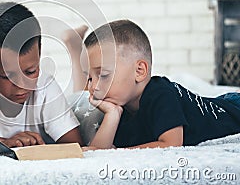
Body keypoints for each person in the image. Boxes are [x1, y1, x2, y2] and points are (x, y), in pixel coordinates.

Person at [80, 19, 240, 149]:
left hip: (233, 107)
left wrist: (118, 153)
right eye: (89, 78)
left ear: (139, 71)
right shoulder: (122, 108)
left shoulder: (160, 93)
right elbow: (98, 155)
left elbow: (171, 144)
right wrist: (112, 115)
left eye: (104, 75)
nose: (92, 87)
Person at [0, 2, 83, 155]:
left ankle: (76, 49)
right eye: (6, 76)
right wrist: (6, 144)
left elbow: (76, 148)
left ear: (40, 54)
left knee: (82, 96)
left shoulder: (45, 87)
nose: (21, 86)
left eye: (30, 72)